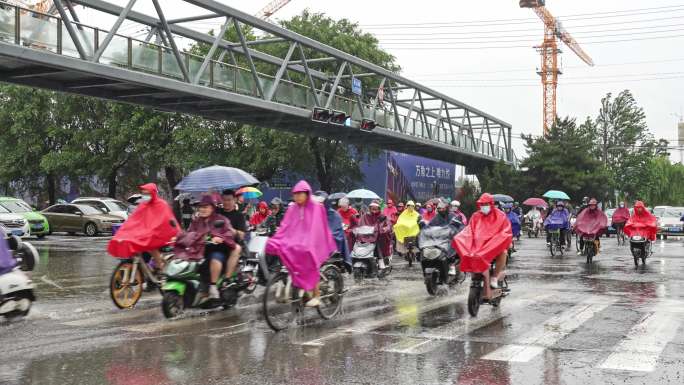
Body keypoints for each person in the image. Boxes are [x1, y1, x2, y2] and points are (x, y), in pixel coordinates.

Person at [265, 181, 337, 307]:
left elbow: (317, 227)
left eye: (300, 194)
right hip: (298, 241)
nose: (297, 196)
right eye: (295, 194)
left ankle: (316, 295)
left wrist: (308, 242)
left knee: (310, 259)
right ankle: (301, 289)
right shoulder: (292, 208)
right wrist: (277, 239)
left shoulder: (316, 207)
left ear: (307, 194)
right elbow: (285, 226)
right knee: (284, 250)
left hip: (315, 240)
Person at [108, 183, 180, 272]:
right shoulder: (143, 205)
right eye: (143, 193)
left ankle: (160, 266)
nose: (145, 196)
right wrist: (124, 231)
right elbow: (134, 220)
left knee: (150, 244)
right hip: (147, 233)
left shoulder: (161, 204)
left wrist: (151, 230)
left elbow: (164, 220)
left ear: (153, 193)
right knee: (137, 244)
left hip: (161, 234)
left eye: (147, 193)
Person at [452, 193, 512, 292]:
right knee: (467, 253)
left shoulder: (500, 215)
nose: (484, 207)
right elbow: (469, 230)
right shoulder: (476, 216)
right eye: (482, 204)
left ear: (491, 204)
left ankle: (495, 276)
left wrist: (499, 241)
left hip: (494, 246)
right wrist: (460, 238)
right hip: (478, 246)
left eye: (486, 204)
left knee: (503, 252)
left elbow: (505, 231)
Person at [185, 195, 242, 299]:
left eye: (205, 207)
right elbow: (190, 233)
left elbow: (228, 232)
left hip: (218, 249)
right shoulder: (196, 221)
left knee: (215, 258)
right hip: (201, 251)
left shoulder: (221, 219)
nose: (202, 209)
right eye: (201, 207)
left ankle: (213, 286)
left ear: (212, 208)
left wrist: (219, 237)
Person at [314, 191, 351, 271]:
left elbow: (335, 232)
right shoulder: (312, 213)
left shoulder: (334, 215)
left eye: (321, 203)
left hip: (331, 245)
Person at [357, 200, 393, 272]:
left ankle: (381, 262)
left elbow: (388, 225)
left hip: (378, 237)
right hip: (366, 237)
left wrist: (384, 229)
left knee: (377, 246)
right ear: (370, 208)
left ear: (379, 208)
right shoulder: (365, 216)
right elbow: (360, 224)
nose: (374, 209)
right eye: (372, 208)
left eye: (375, 208)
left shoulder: (383, 216)